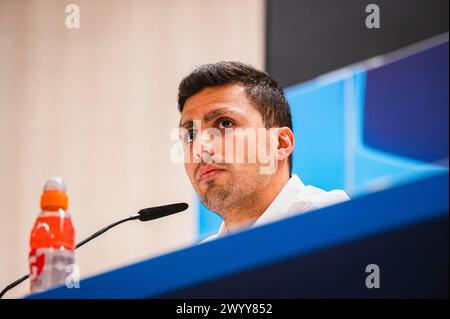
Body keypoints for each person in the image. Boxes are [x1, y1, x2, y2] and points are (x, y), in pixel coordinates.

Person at [177, 61, 350, 242]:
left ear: (280, 144)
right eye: (190, 134)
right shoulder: (205, 257)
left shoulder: (332, 219)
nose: (201, 148)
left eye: (225, 123)